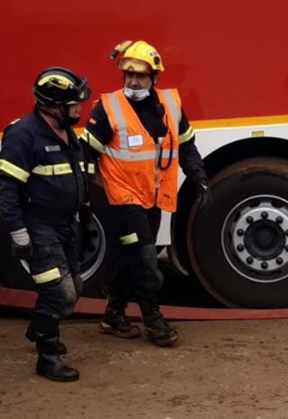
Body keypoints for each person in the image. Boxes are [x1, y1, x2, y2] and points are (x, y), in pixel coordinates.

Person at [81, 40, 210, 347]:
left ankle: (113, 314)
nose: (133, 81)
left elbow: (187, 144)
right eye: (128, 75)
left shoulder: (171, 105)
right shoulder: (108, 108)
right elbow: (85, 155)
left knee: (131, 257)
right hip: (122, 199)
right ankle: (154, 320)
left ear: (154, 77)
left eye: (139, 75)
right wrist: (83, 198)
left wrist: (199, 176)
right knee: (144, 259)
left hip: (153, 198)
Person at [0, 66, 93, 382]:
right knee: (59, 293)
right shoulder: (24, 135)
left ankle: (40, 328)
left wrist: (83, 208)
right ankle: (47, 359)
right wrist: (20, 233)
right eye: (73, 103)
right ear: (52, 104)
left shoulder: (64, 130)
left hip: (65, 226)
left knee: (74, 289)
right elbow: (4, 187)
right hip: (39, 227)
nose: (78, 109)